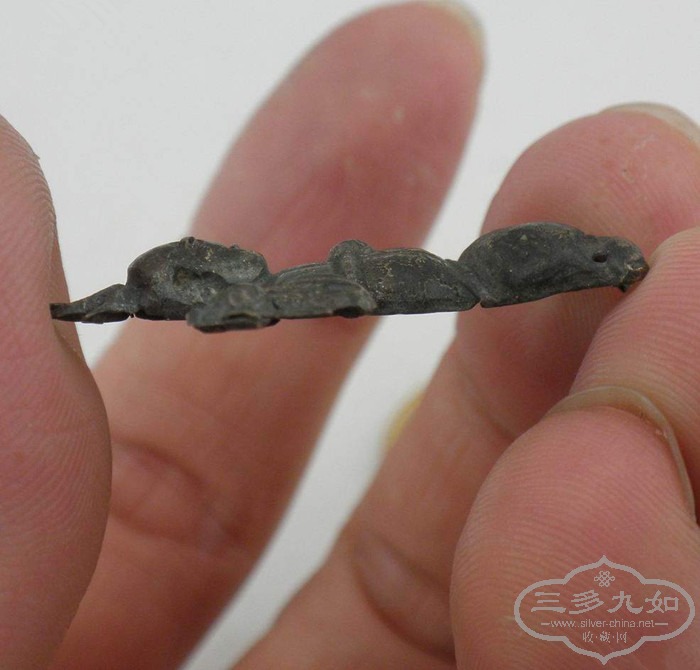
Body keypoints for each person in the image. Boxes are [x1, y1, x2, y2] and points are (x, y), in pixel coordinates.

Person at [3, 2, 700, 668]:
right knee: (484, 282)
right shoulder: (249, 295)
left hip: (408, 277)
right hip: (404, 282)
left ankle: (597, 259)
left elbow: (346, 277)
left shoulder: (273, 284)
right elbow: (277, 297)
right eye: (199, 262)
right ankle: (597, 261)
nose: (208, 249)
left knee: (487, 277)